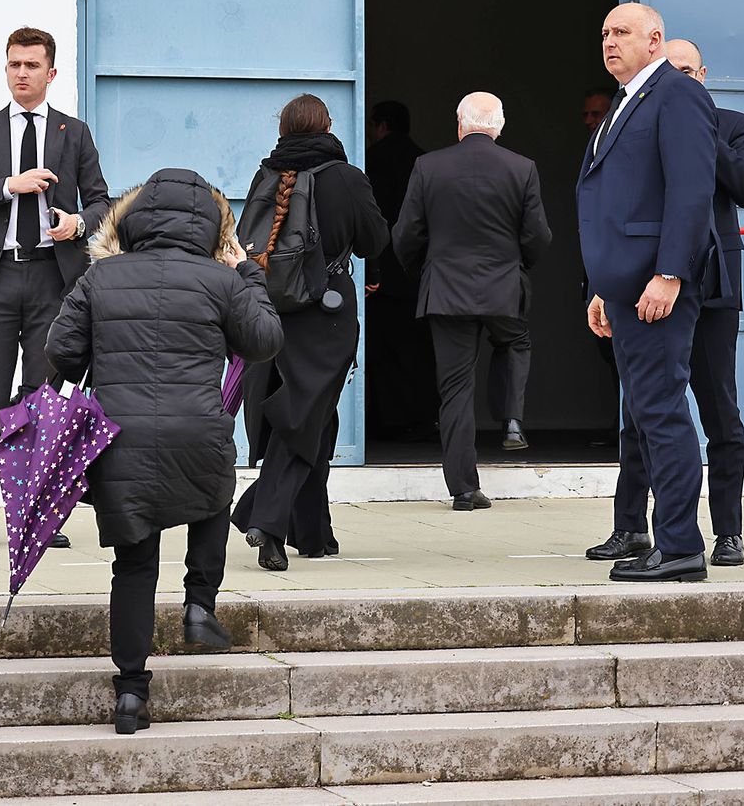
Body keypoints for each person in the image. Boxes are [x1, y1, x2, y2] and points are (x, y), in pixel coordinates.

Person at [45, 168, 283, 736]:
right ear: (211, 228)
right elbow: (265, 339)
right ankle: (199, 604)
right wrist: (246, 270)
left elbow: (60, 352)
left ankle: (130, 695)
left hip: (121, 441)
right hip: (198, 431)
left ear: (132, 221)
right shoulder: (221, 281)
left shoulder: (101, 279)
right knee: (211, 502)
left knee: (133, 564)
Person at [587, 39, 744, 568]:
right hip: (652, 284)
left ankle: (727, 532)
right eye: (674, 71)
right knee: (640, 412)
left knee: (719, 413)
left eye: (689, 72)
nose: (680, 79)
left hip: (710, 288)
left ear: (703, 75)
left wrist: (702, 135)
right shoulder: (639, 110)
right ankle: (630, 528)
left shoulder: (730, 123)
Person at [0, 27, 110, 551]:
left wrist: (77, 225)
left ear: (51, 73)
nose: (21, 73)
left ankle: (37, 511)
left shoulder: (73, 134)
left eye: (31, 65)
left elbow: (103, 203)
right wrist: (7, 186)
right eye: (14, 64)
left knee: (43, 402)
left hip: (50, 280)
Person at [579, 3, 719, 583]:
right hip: (623, 288)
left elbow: (691, 191)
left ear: (654, 39)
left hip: (654, 287)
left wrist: (670, 273)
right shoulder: (626, 99)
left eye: (622, 33)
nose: (610, 42)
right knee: (646, 413)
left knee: (661, 412)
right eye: (605, 33)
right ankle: (670, 541)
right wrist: (601, 290)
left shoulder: (676, 95)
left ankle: (681, 545)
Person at [232, 95, 389, 568]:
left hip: (269, 311)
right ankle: (266, 518)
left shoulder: (267, 175)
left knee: (317, 418)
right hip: (325, 314)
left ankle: (314, 533)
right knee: (302, 418)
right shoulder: (344, 177)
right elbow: (374, 240)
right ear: (327, 126)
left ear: (283, 129)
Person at [392, 93, 552, 510]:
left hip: (446, 291)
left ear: (459, 124)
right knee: (515, 342)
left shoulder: (429, 166)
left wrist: (422, 271)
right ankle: (512, 418)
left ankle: (463, 489)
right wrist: (519, 266)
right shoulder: (522, 168)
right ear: (498, 126)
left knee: (455, 389)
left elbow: (406, 233)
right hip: (502, 287)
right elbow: (539, 235)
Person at [363, 100, 436, 440]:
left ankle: (387, 424)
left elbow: (373, 220)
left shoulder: (372, 161)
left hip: (382, 276)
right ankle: (422, 420)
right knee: (420, 354)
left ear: (381, 125)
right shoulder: (425, 162)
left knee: (382, 354)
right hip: (421, 275)